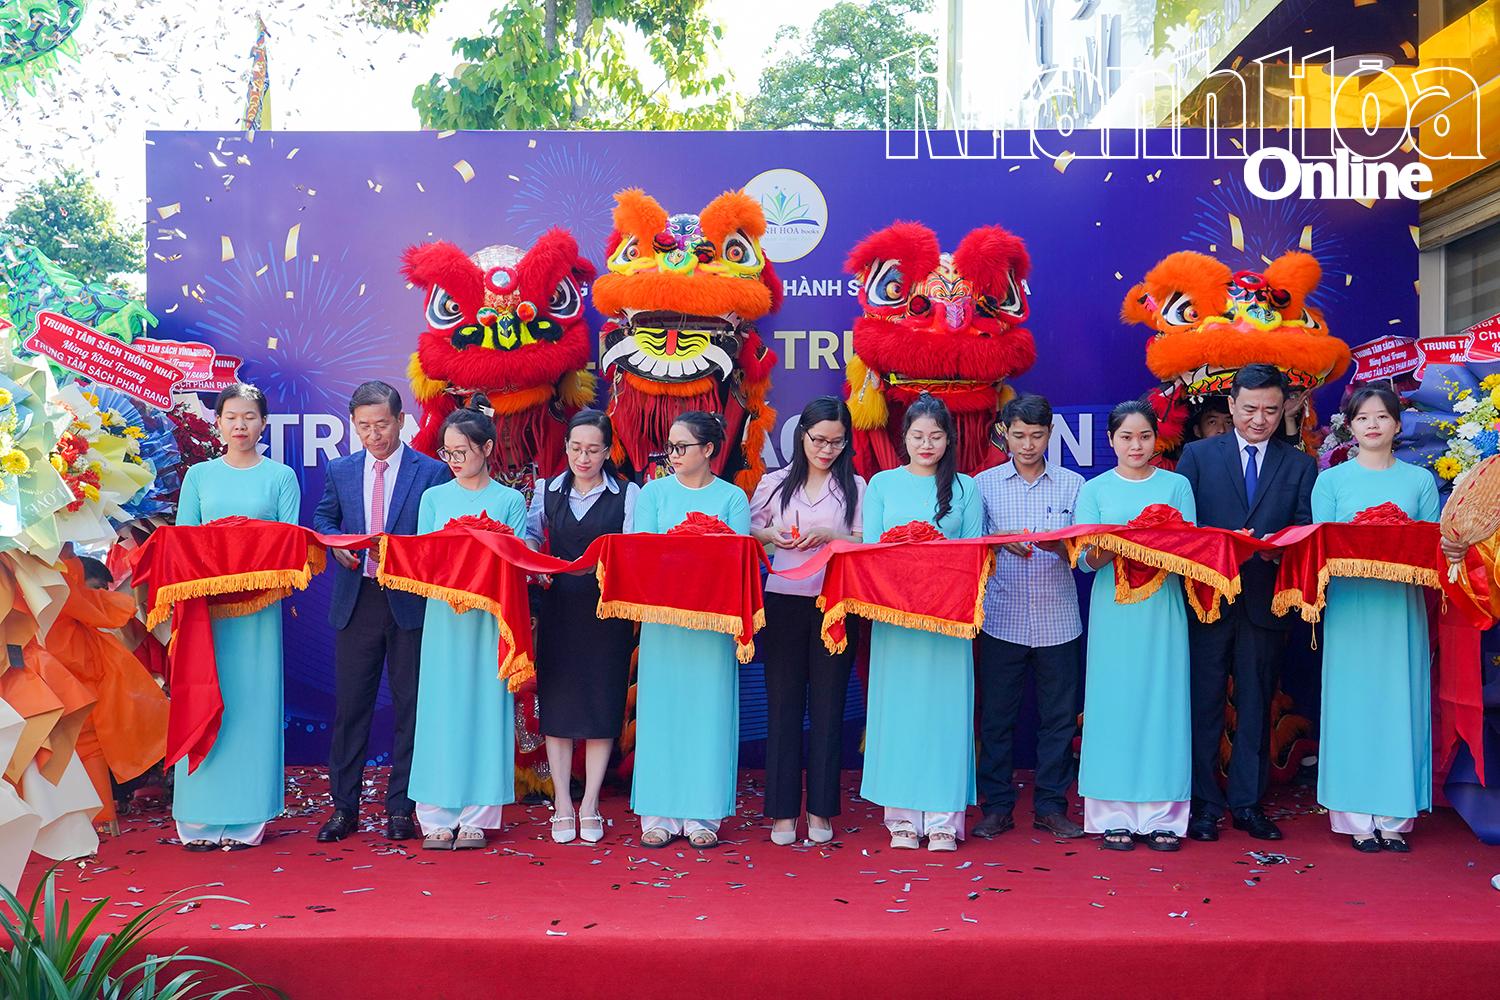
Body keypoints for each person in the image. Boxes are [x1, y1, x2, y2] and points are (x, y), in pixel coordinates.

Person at [1176, 364, 1315, 843]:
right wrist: (1221, 542)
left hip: (1265, 596)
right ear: (1231, 404)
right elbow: (1181, 531)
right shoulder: (1196, 456)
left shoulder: (1298, 464)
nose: (1260, 419)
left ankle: (1248, 804)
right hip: (1208, 597)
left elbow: (1305, 529)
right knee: (1202, 701)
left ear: (1284, 409)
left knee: (1257, 702)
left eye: (1271, 410)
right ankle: (1202, 805)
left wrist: (1276, 546)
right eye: (1250, 408)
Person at [313, 381, 450, 844]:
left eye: (382, 424)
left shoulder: (430, 472)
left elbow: (439, 537)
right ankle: (343, 809)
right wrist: (337, 549)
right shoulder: (341, 470)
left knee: (411, 709)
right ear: (353, 426)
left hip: (409, 601)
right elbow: (324, 520)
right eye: (364, 426)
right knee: (352, 710)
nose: (374, 435)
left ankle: (400, 808)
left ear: (400, 421)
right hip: (357, 602)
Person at [1314, 387, 1444, 852]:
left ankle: (1393, 819)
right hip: (1350, 608)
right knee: (1352, 706)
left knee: (1398, 704)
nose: (1372, 425)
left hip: (1401, 611)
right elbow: (1321, 549)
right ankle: (1352, 817)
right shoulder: (1331, 482)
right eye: (1363, 417)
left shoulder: (1420, 482)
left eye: (1382, 417)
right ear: (1349, 425)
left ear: (1397, 425)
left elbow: (1434, 549)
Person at [173, 383, 301, 851]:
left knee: (252, 704)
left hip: (259, 610)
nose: (240, 426)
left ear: (263, 423)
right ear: (219, 422)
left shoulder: (280, 476)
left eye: (249, 417)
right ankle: (199, 817)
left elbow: (291, 545)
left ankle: (248, 816)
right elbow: (183, 542)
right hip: (206, 612)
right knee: (202, 694)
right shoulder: (199, 476)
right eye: (231, 417)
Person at [861, 392, 984, 852]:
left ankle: (943, 820)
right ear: (904, 438)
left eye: (935, 436)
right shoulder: (882, 485)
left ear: (949, 439)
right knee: (901, 713)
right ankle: (902, 819)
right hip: (896, 619)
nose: (926, 444)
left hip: (947, 621)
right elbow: (871, 552)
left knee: (945, 715)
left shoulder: (967, 488)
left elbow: (974, 554)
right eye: (917, 436)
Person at [1075, 400, 1196, 852]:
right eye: (1126, 437)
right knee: (1114, 705)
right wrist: (1118, 540)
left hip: (1164, 609)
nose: (1136, 445)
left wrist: (1158, 537)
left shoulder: (1177, 486)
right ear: (1110, 441)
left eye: (1144, 436)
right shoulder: (1095, 490)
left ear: (1156, 439)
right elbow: (1084, 561)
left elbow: (1192, 552)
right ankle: (1114, 814)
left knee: (1163, 701)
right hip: (1114, 611)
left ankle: (1164, 814)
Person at [408, 408, 528, 850]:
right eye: (448, 452)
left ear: (488, 449)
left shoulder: (509, 501)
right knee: (441, 710)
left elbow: (518, 562)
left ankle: (479, 814)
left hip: (490, 620)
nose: (454, 460)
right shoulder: (434, 499)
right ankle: (436, 815)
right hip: (444, 617)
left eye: (463, 451)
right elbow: (423, 559)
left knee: (484, 708)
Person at [631, 412, 751, 849]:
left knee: (707, 714)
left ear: (709, 450)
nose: (673, 455)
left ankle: (703, 815)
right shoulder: (654, 494)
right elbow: (644, 555)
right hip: (664, 621)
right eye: (670, 446)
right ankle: (656, 815)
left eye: (682, 447)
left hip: (711, 621)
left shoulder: (733, 498)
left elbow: (733, 561)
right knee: (661, 714)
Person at [750, 397, 864, 846]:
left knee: (828, 708)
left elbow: (868, 540)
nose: (827, 449)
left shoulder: (856, 485)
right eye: (819, 439)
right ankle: (781, 814)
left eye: (836, 442)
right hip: (782, 602)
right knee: (782, 706)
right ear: (802, 436)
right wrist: (771, 535)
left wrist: (835, 536)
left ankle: (819, 810)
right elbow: (748, 531)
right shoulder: (775, 483)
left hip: (834, 605)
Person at [972, 394, 1085, 840]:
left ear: (1051, 434)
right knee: (998, 718)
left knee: (1059, 719)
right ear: (1004, 433)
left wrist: (1063, 546)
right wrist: (997, 539)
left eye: (1037, 435)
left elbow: (1087, 549)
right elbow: (969, 543)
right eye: (1019, 435)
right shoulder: (983, 484)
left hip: (1059, 618)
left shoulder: (1074, 485)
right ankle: (997, 807)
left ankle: (1051, 806)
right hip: (1003, 615)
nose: (1028, 444)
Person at [525, 410, 639, 845]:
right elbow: (531, 537)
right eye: (575, 448)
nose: (583, 457)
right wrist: (536, 561)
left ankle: (590, 803)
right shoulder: (546, 490)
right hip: (558, 609)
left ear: (608, 451)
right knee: (557, 707)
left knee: (600, 706)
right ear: (566, 447)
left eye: (593, 450)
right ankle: (562, 804)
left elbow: (633, 548)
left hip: (605, 612)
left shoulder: (628, 494)